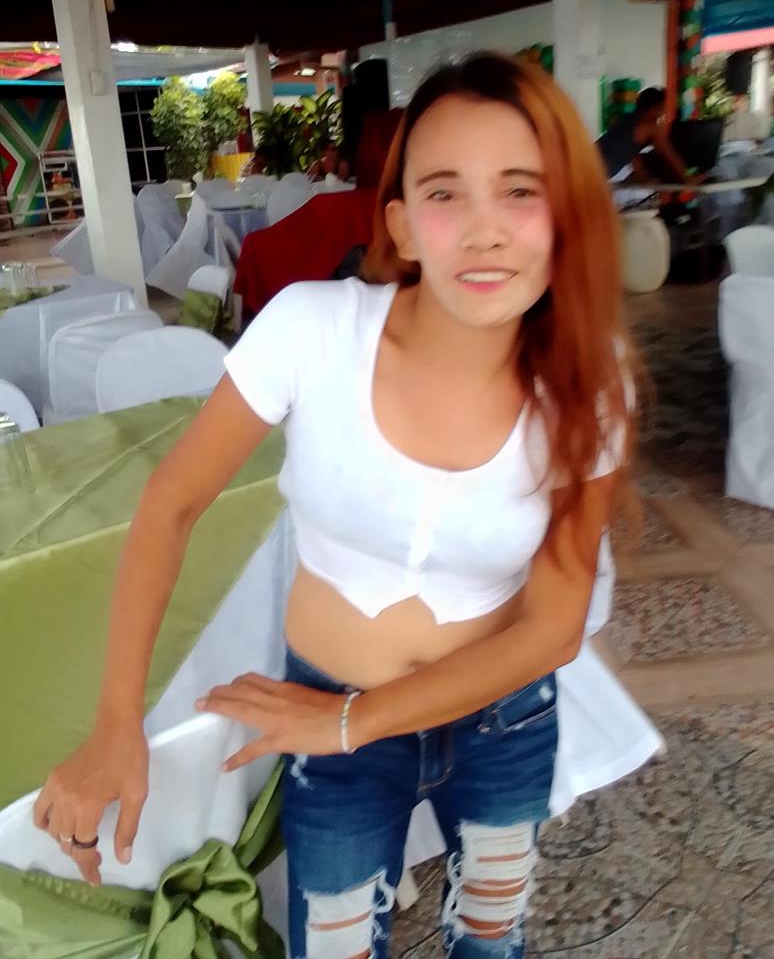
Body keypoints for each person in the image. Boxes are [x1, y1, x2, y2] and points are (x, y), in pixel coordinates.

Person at [34, 53, 638, 958]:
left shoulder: (590, 382)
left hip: (502, 718)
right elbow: (170, 503)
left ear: (568, 218)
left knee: (492, 936)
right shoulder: (314, 331)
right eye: (445, 193)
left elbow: (553, 628)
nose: (484, 231)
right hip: (331, 714)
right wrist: (116, 725)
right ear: (401, 222)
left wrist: (351, 721)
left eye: (521, 191)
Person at [597, 86, 697, 184]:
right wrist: (687, 179)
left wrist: (644, 179)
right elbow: (670, 155)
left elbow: (631, 155)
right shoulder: (650, 128)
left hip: (591, 158)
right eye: (661, 108)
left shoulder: (623, 118)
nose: (662, 114)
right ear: (654, 108)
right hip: (598, 169)